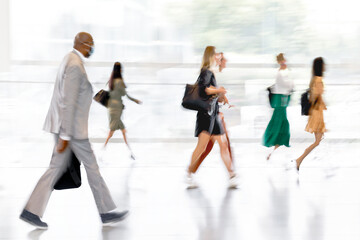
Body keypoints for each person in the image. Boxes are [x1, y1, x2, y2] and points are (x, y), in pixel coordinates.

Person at [20, 32, 129, 229]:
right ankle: (105, 212)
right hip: (72, 130)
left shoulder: (70, 59)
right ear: (84, 44)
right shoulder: (75, 65)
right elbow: (68, 102)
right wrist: (65, 136)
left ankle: (32, 211)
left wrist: (104, 98)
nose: (92, 48)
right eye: (92, 45)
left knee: (59, 168)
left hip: (70, 128)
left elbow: (81, 92)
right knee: (89, 168)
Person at [186, 46, 236, 189]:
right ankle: (189, 173)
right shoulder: (206, 72)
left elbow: (211, 93)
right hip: (205, 116)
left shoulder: (210, 72)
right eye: (217, 55)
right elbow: (205, 89)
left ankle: (232, 175)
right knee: (201, 147)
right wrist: (220, 90)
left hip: (213, 114)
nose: (219, 57)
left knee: (223, 144)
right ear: (211, 56)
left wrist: (222, 96)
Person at [293, 57, 327, 170]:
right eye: (323, 65)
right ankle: (299, 160)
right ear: (320, 66)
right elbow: (314, 96)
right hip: (317, 113)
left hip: (317, 112)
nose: (325, 66)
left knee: (318, 140)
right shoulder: (318, 80)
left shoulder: (315, 79)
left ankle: (299, 160)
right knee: (317, 141)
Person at [104, 62, 141, 159]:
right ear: (119, 69)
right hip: (117, 109)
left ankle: (130, 152)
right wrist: (135, 100)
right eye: (121, 68)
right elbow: (125, 94)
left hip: (111, 108)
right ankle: (102, 150)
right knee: (112, 132)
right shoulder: (119, 81)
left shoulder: (111, 80)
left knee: (122, 131)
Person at [263, 53, 294, 160]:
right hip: (280, 98)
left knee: (281, 119)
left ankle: (279, 142)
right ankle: (274, 141)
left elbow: (289, 85)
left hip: (282, 98)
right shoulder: (280, 73)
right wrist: (290, 85)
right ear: (281, 61)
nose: (285, 63)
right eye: (283, 61)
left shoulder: (284, 72)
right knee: (279, 119)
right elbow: (287, 85)